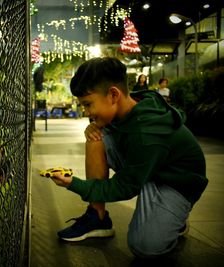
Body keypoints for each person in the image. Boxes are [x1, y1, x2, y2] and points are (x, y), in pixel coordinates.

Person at [48, 57, 208, 258]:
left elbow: (124, 188)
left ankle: (174, 219)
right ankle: (97, 217)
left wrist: (73, 183)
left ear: (113, 94)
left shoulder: (146, 133)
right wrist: (96, 126)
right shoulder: (131, 105)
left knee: (144, 246)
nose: (86, 112)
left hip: (177, 184)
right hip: (152, 167)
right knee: (97, 135)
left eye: (88, 104)